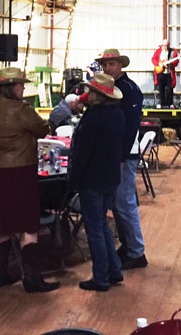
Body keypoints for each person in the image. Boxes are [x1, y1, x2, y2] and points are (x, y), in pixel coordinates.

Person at [0, 67, 58, 293]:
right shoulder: (22, 109)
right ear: (13, 87)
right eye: (21, 85)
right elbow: (43, 130)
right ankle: (32, 279)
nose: (23, 88)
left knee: (1, 224)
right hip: (20, 170)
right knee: (28, 225)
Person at [68, 73, 126, 291]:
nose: (87, 95)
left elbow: (82, 153)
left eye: (91, 92)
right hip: (110, 178)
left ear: (98, 95)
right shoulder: (117, 114)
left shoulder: (94, 118)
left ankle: (101, 277)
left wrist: (73, 179)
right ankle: (114, 270)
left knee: (94, 228)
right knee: (101, 225)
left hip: (93, 179)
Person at [97, 48, 148, 271]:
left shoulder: (129, 90)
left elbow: (130, 128)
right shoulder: (112, 88)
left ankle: (136, 252)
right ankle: (128, 246)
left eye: (112, 64)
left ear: (120, 66)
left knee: (125, 203)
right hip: (115, 155)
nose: (108, 68)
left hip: (124, 156)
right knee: (118, 203)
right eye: (105, 65)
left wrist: (122, 157)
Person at [152, 38, 179, 108]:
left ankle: (169, 103)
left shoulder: (173, 52)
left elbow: (176, 62)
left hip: (169, 73)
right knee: (161, 88)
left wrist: (170, 63)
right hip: (160, 73)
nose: (165, 47)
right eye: (164, 45)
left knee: (170, 88)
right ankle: (162, 103)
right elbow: (153, 59)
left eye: (167, 45)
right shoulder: (158, 51)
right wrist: (159, 63)